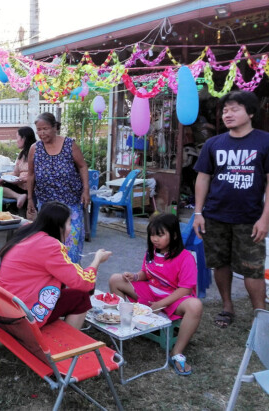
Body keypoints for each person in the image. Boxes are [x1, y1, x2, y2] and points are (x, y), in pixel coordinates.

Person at [193, 90, 269, 328]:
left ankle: (261, 317)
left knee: (253, 269)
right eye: (225, 110)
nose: (228, 114)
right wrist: (197, 213)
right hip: (215, 216)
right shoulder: (213, 143)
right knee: (220, 263)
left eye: (235, 109)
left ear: (251, 112)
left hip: (250, 217)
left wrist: (265, 218)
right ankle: (227, 307)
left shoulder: (265, 141)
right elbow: (203, 178)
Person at [0, 201, 111, 329]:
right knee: (81, 297)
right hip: (20, 316)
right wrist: (97, 260)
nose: (71, 229)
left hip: (0, 305)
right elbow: (84, 283)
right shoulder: (50, 246)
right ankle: (70, 345)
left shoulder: (27, 232)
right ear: (59, 226)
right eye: (69, 223)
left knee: (65, 291)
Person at [109, 213, 202, 375]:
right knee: (115, 279)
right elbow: (147, 273)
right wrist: (135, 276)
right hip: (151, 293)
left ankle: (177, 352)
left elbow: (185, 289)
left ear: (173, 235)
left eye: (160, 235)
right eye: (152, 235)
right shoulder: (152, 251)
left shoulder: (185, 257)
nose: (155, 239)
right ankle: (126, 327)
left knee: (195, 305)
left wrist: (162, 303)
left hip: (174, 298)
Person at [27, 112, 90, 264]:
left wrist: (86, 190)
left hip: (70, 204)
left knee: (71, 244)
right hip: (46, 205)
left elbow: (82, 166)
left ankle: (73, 278)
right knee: (49, 244)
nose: (42, 133)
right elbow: (31, 174)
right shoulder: (34, 149)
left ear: (55, 127)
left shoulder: (69, 145)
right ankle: (53, 282)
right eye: (39, 130)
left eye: (45, 129)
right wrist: (30, 198)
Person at [0, 126, 36, 209]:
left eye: (17, 137)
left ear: (23, 138)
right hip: (20, 185)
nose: (16, 140)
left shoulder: (36, 152)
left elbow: (38, 174)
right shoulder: (22, 154)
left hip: (32, 188)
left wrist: (23, 179)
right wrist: (3, 179)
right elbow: (16, 173)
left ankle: (22, 197)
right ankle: (19, 196)